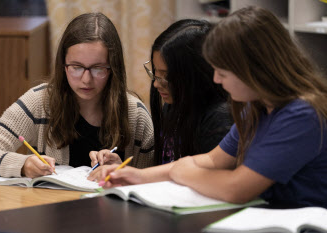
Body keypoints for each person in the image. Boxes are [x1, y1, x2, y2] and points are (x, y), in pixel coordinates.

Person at [96, 6, 327, 208]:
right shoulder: (255, 108)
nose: (216, 79)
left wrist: (180, 172)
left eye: (223, 72)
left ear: (253, 70)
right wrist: (137, 176)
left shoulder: (301, 114)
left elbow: (237, 188)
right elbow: (211, 160)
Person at [0, 12, 154, 178]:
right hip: (50, 208)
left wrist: (123, 169)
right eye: (76, 67)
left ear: (113, 69)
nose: (86, 80)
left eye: (98, 68)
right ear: (63, 65)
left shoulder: (135, 114)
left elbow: (156, 181)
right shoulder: (40, 101)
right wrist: (23, 165)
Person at [88, 19, 232, 181]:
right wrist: (124, 169)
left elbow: (206, 180)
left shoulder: (220, 119)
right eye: (155, 73)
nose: (156, 83)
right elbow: (167, 168)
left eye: (166, 76)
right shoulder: (173, 106)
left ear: (196, 75)